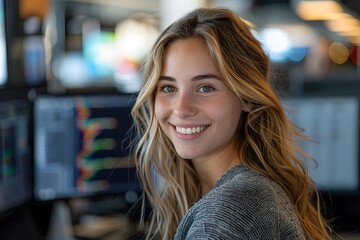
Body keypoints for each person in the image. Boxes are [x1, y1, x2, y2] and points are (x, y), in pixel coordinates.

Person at [131, 7, 332, 240]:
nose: (181, 108)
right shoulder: (251, 191)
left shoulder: (231, 210)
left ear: (246, 97)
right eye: (168, 88)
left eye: (205, 88)